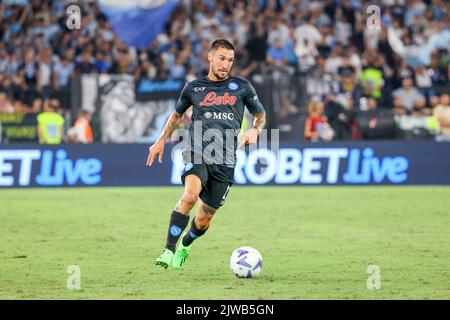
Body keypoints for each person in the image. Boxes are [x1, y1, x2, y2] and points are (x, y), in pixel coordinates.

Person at [146, 39, 266, 269]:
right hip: (198, 152)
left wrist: (255, 129)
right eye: (221, 58)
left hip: (226, 160)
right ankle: (168, 251)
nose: (226, 64)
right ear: (210, 57)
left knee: (203, 220)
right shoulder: (194, 88)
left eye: (230, 60)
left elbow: (261, 115)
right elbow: (176, 115)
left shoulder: (242, 87)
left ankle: (186, 244)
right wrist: (160, 140)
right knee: (190, 196)